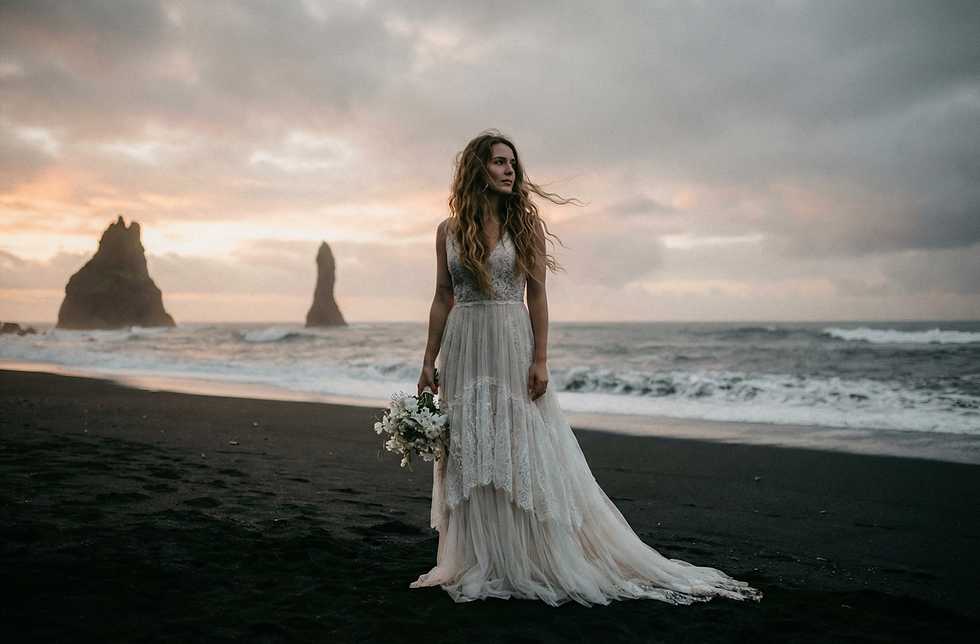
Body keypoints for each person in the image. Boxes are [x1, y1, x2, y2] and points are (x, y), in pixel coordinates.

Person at [412, 131, 761, 606]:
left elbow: (537, 295)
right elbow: (442, 296)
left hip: (511, 343)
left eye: (513, 162)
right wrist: (428, 360)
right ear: (478, 170)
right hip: (464, 347)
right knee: (471, 446)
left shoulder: (525, 228)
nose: (511, 170)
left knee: (520, 446)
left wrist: (540, 358)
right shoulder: (448, 231)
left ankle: (526, 552)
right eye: (499, 162)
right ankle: (478, 554)